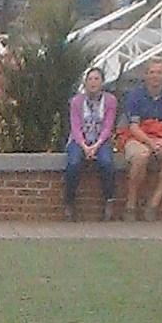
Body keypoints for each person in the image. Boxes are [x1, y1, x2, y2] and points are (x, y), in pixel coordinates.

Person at [116, 55, 162, 220]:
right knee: (142, 155)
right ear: (145, 75)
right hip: (138, 137)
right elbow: (133, 126)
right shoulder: (135, 96)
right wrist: (150, 143)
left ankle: (154, 203)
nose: (155, 76)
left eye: (159, 72)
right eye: (152, 72)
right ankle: (131, 204)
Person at [63, 65, 118, 219]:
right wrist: (84, 146)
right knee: (73, 163)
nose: (93, 82)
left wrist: (96, 145)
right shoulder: (76, 102)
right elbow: (75, 126)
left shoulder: (110, 101)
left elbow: (108, 126)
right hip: (79, 140)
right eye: (90, 79)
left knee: (106, 163)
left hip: (101, 140)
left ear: (102, 83)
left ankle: (109, 199)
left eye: (97, 79)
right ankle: (69, 201)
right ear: (85, 82)